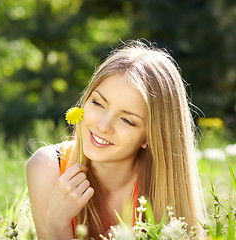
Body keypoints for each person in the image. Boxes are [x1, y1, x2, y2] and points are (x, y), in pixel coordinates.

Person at [26, 40, 206, 239]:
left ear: (150, 136)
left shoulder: (163, 186)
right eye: (97, 103)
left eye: (127, 120)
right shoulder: (48, 167)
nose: (103, 126)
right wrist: (57, 223)